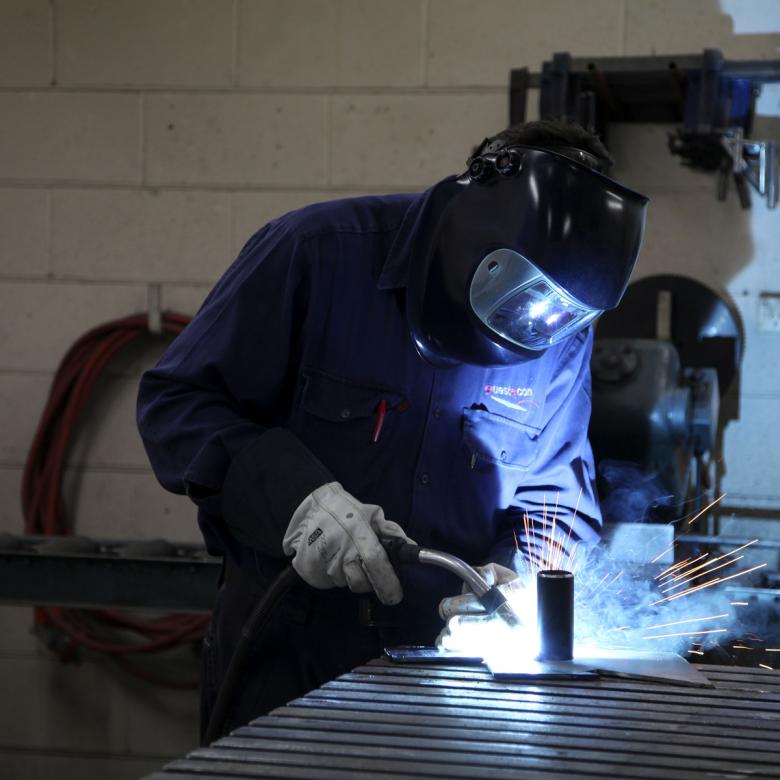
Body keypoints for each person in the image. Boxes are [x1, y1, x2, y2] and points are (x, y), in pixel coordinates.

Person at [136, 119, 648, 738]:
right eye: (520, 291)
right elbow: (178, 402)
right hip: (287, 651)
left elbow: (556, 500)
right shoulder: (316, 251)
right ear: (474, 224)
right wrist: (296, 500)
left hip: (451, 669)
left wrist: (519, 578)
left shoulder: (557, 325)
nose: (534, 325)